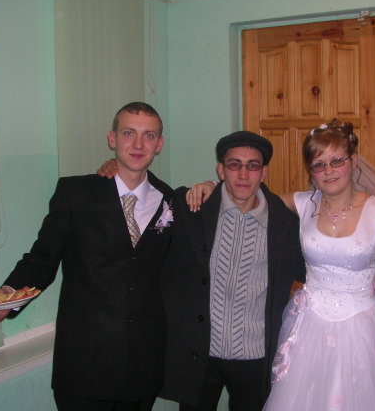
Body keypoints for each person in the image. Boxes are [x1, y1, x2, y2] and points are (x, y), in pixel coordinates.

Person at [190, 121, 375, 410]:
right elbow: (249, 194)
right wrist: (213, 185)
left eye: (336, 161)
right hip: (309, 326)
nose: (328, 171)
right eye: (319, 165)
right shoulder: (301, 203)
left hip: (363, 327)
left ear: (353, 161)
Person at [0, 102, 175, 411]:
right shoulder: (75, 193)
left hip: (142, 365)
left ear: (159, 144)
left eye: (148, 135)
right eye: (128, 133)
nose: (138, 144)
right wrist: (9, 295)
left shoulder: (170, 200)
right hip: (85, 363)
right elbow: (42, 259)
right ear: (112, 138)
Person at [97, 131, 305, 410]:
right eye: (234, 165)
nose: (243, 174)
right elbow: (147, 196)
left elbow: (314, 268)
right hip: (199, 354)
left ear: (264, 172)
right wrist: (118, 168)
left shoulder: (285, 223)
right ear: (220, 170)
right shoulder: (191, 208)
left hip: (257, 356)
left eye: (253, 165)